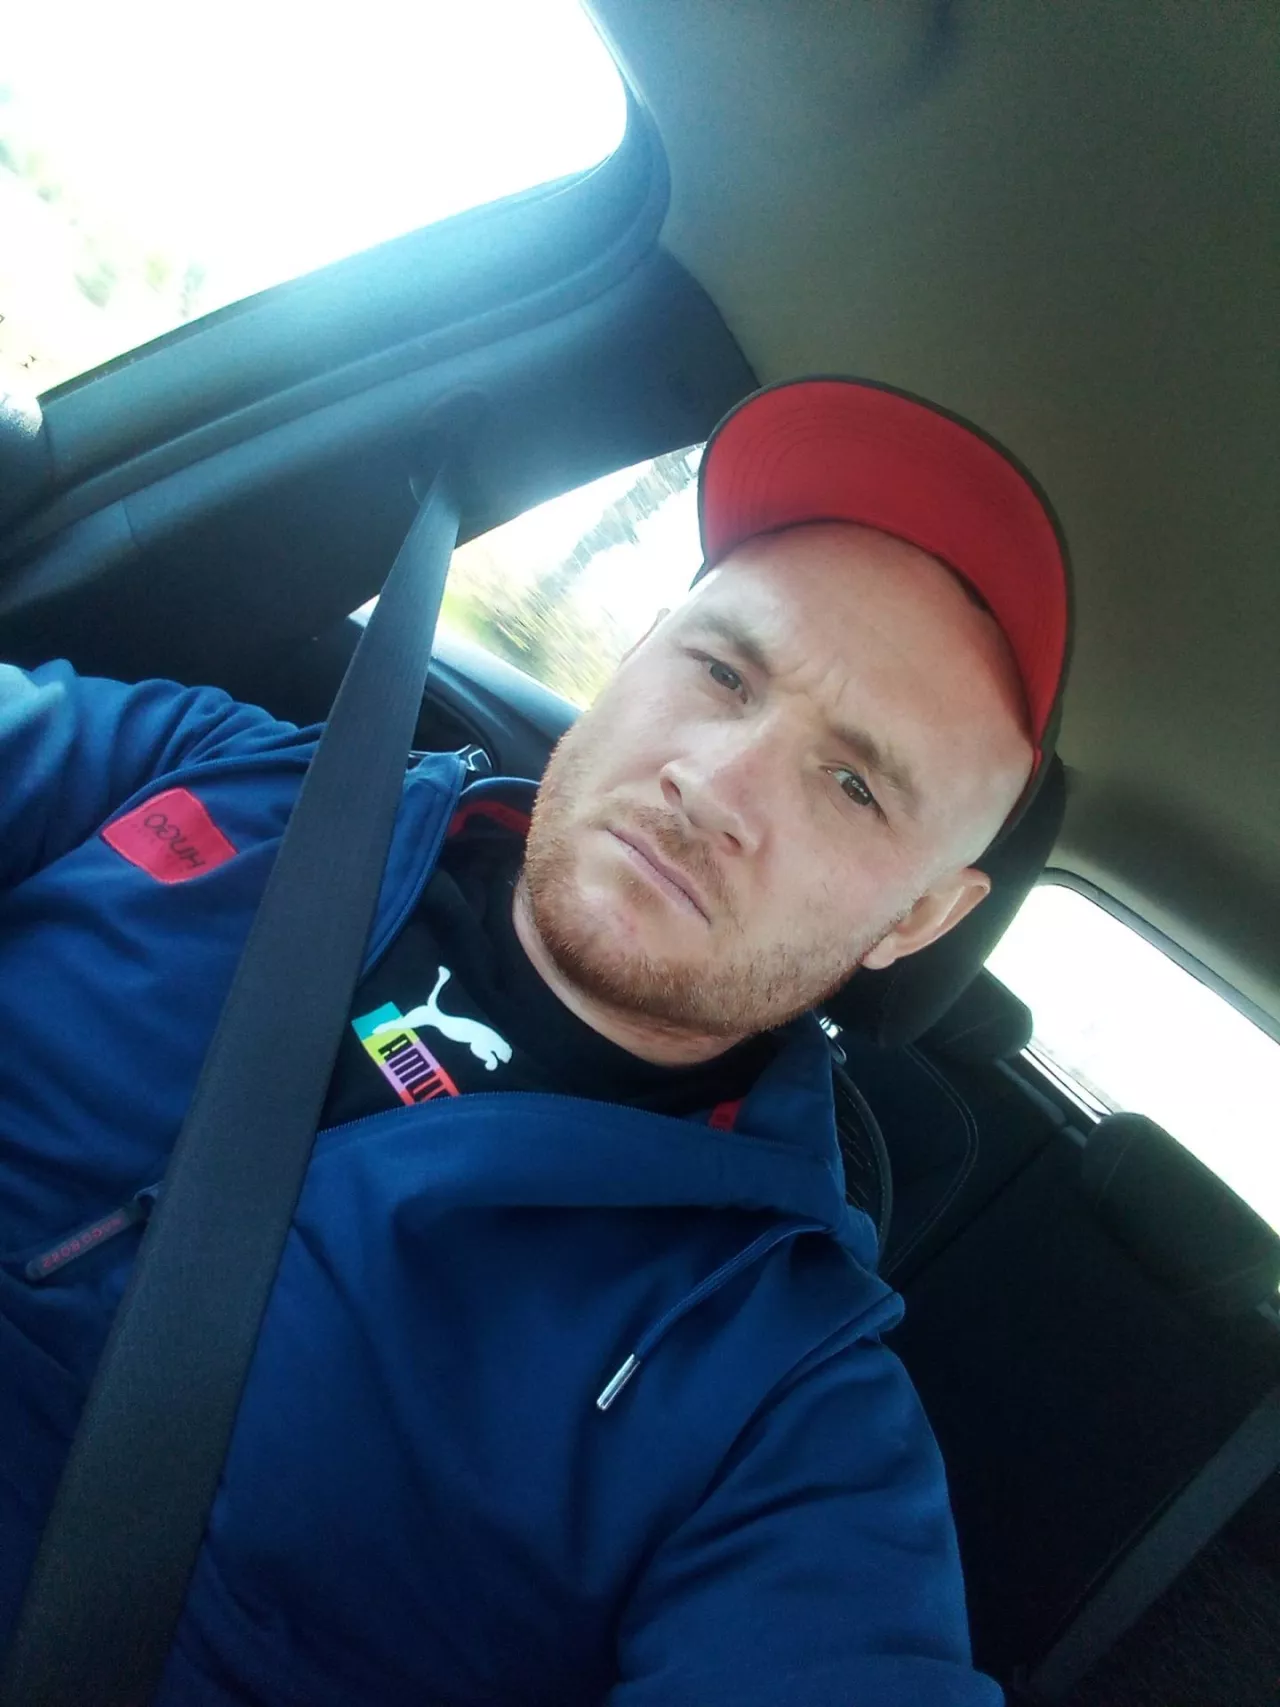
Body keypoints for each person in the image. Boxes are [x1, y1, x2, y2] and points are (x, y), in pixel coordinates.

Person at [0, 377, 1069, 1705]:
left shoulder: (776, 1401)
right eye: (722, 670)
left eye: (854, 784)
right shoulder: (228, 771)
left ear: (919, 917)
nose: (713, 786)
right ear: (637, 653)